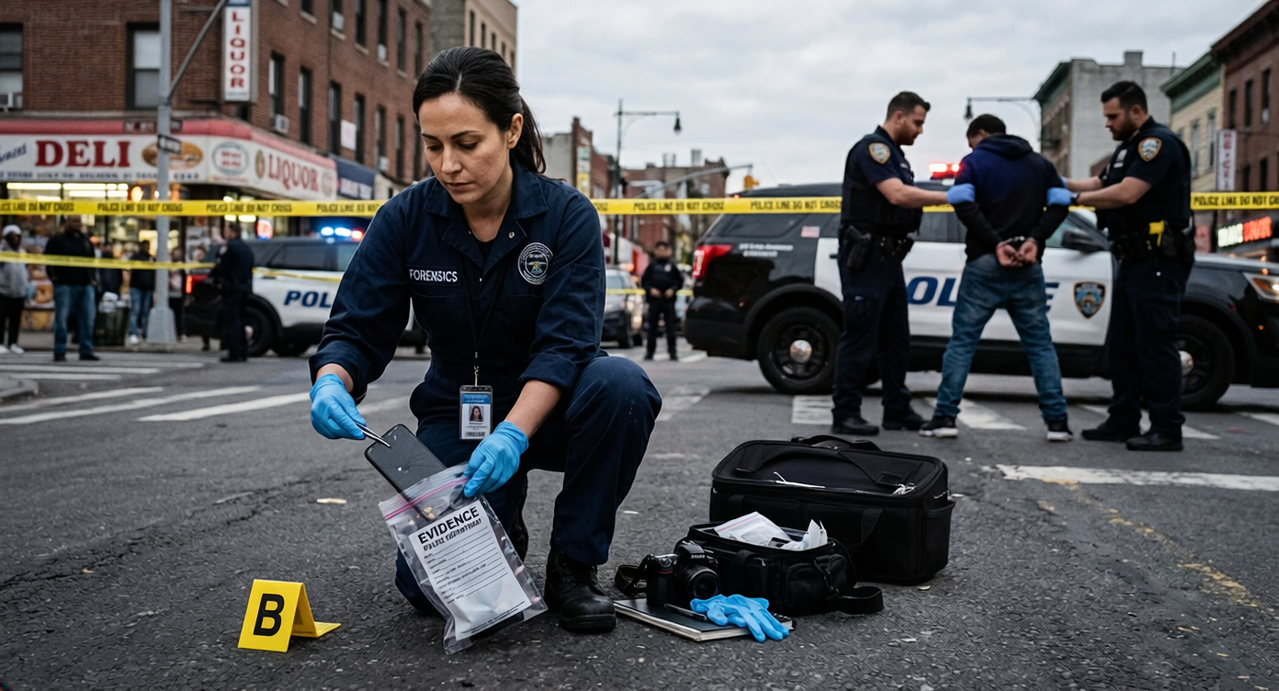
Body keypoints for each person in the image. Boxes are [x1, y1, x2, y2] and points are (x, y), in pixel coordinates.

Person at [307, 47, 661, 634]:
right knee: (427, 591)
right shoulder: (405, 218)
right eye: (433, 145)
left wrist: (513, 435)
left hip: (552, 408)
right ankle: (502, 527)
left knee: (621, 385)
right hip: (458, 409)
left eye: (467, 144)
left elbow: (566, 346)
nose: (448, 164)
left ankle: (573, 564)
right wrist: (330, 382)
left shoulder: (566, 216)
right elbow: (357, 324)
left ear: (511, 129)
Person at [919, 114, 1073, 441]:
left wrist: (996, 242)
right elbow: (1062, 203)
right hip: (1028, 265)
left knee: (962, 342)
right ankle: (1057, 423)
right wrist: (1034, 240)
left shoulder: (974, 162)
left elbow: (960, 201)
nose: (971, 148)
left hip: (985, 263)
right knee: (1040, 345)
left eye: (971, 141)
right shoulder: (1040, 164)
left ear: (982, 134)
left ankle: (945, 418)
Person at [1064, 81, 1194, 452]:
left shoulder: (1157, 145)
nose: (1107, 123)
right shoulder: (1128, 150)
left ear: (1136, 111)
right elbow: (1102, 182)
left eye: (1112, 116)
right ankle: (1124, 419)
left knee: (1155, 344)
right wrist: (1054, 182)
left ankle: (1167, 427)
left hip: (1157, 259)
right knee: (1123, 345)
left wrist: (1073, 198)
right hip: (1132, 258)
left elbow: (1127, 193)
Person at [831, 91, 949, 436]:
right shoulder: (874, 149)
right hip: (867, 257)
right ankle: (846, 411)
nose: (920, 130)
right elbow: (896, 195)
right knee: (859, 336)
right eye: (917, 122)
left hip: (889, 258)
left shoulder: (895, 155)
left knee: (896, 339)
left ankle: (896, 409)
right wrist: (950, 195)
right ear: (898, 116)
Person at [45, 217, 99, 362]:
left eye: (79, 221)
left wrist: (92, 278)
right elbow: (48, 260)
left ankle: (86, 349)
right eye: (74, 221)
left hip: (84, 284)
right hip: (64, 284)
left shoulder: (85, 240)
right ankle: (59, 350)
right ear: (66, 222)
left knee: (87, 319)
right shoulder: (57, 239)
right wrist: (54, 278)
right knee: (62, 319)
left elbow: (91, 260)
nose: (78, 224)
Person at [208, 225, 253, 363]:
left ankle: (234, 353)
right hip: (245, 287)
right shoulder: (246, 247)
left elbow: (222, 265)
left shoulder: (230, 247)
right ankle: (243, 351)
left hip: (232, 288)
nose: (226, 234)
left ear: (232, 232)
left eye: (227, 231)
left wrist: (213, 276)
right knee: (241, 320)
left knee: (232, 321)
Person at [640, 240, 683, 361]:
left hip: (668, 301)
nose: (662, 252)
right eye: (659, 250)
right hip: (654, 301)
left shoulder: (672, 266)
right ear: (655, 251)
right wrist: (650, 290)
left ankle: (672, 352)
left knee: (671, 328)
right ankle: (650, 352)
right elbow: (644, 282)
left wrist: (673, 290)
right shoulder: (652, 266)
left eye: (664, 250)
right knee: (652, 328)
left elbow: (679, 282)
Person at [0, 225, 31, 354]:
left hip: (19, 292)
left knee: (15, 319)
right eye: (13, 236)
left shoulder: (21, 252)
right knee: (1, 319)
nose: (16, 239)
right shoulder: (2, 251)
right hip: (3, 291)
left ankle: (13, 342)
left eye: (18, 236)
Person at [127, 240, 156, 345]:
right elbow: (128, 269)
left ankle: (145, 333)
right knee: (135, 310)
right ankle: (133, 333)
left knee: (145, 312)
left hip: (148, 288)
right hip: (136, 287)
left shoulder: (152, 258)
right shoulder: (134, 257)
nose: (145, 248)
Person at [168, 246, 186, 341]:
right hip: (169, 294)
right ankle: (171, 333)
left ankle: (179, 333)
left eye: (179, 253)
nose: (177, 255)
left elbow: (186, 280)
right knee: (170, 315)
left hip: (179, 294)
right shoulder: (168, 266)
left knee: (179, 315)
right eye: (175, 253)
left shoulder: (182, 267)